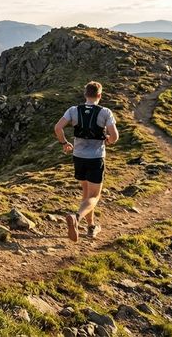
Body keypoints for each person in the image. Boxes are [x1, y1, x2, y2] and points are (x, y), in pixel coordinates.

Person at [54, 81, 119, 242]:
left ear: (85, 95)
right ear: (99, 95)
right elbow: (115, 136)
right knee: (95, 196)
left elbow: (57, 128)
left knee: (86, 192)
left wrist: (64, 143)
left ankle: (91, 226)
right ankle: (77, 217)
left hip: (79, 157)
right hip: (96, 158)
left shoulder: (73, 110)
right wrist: (109, 141)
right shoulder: (105, 112)